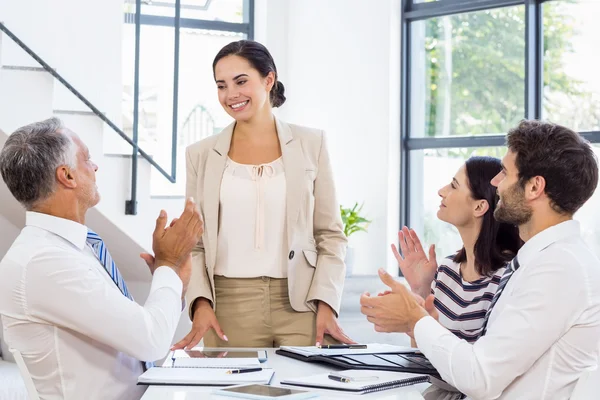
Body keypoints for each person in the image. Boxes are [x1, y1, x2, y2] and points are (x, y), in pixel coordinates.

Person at [361, 120, 600, 399]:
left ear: (534, 187)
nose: (496, 183)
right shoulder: (541, 261)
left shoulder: (559, 269)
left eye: (505, 173)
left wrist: (415, 319)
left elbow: (479, 377)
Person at [0, 118, 203, 400]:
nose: (95, 167)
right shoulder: (44, 262)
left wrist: (172, 280)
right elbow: (151, 341)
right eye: (87, 159)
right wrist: (168, 264)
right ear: (67, 176)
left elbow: (135, 330)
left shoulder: (74, 247)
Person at [175, 40, 351, 349]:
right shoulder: (200, 155)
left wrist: (326, 302)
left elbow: (330, 234)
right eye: (221, 85)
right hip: (227, 309)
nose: (231, 94)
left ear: (269, 80)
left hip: (303, 304)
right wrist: (200, 304)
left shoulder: (312, 144)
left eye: (241, 81)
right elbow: (195, 244)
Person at [393, 156, 521, 343]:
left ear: (479, 206)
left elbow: (488, 364)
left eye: (453, 185)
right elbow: (421, 354)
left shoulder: (508, 277)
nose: (441, 191)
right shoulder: (447, 270)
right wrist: (421, 290)